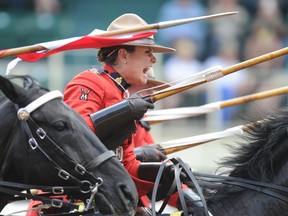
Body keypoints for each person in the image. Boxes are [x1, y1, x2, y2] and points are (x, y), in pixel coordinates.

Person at [63, 13, 185, 214]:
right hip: (71, 203)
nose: (153, 59)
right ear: (124, 55)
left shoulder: (122, 94)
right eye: (147, 52)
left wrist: (165, 175)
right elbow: (74, 138)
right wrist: (124, 111)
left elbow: (127, 167)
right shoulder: (88, 81)